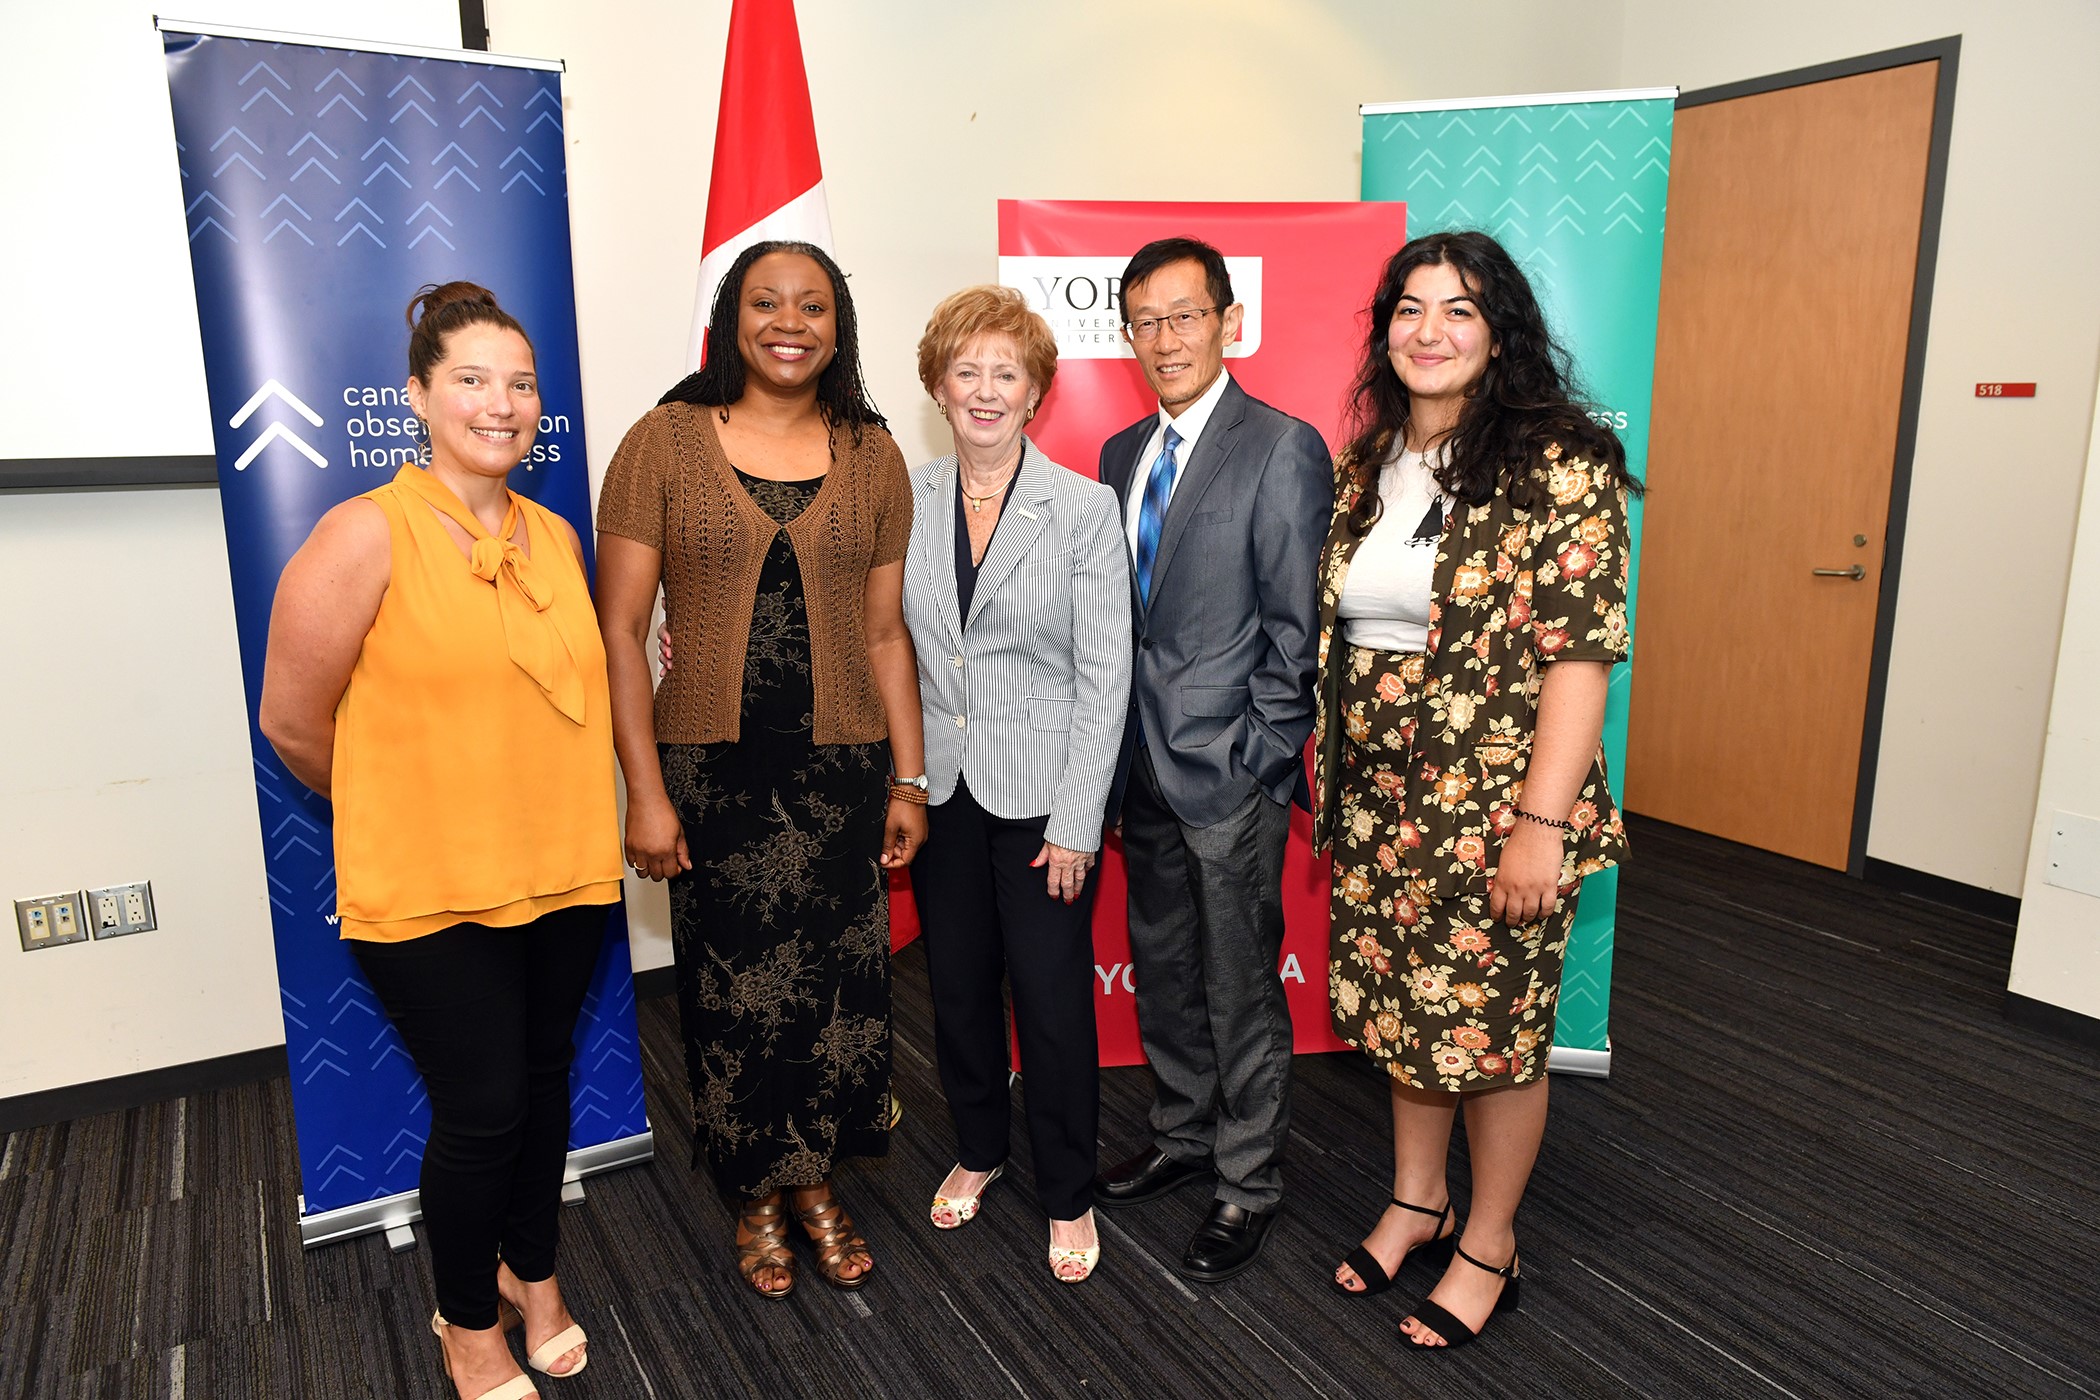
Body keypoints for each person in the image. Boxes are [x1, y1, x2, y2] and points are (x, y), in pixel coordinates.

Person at [260, 282, 611, 1400]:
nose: (499, 403)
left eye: (518, 383)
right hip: (430, 889)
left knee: (546, 1087)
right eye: (470, 379)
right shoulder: (363, 532)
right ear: (416, 395)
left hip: (564, 870)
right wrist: (405, 799)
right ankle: (467, 1325)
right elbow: (294, 724)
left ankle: (531, 1269)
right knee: (484, 1110)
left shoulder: (555, 534)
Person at [1313, 230, 1636, 1349]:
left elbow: (1581, 656)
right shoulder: (1370, 464)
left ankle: (1490, 1238)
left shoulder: (1562, 461)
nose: (1429, 330)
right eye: (1409, 308)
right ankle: (1416, 1198)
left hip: (1497, 802)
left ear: (1499, 331)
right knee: (1412, 1016)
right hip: (1380, 800)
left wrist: (1540, 825)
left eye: (1458, 309)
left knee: (1493, 1032)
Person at [594, 240, 926, 1301]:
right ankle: (754, 1189)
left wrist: (908, 778)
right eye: (768, 301)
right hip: (713, 773)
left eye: (815, 305)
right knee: (734, 992)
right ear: (733, 316)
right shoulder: (664, 442)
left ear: (840, 326)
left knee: (838, 988)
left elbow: (884, 636)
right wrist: (644, 790)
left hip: (839, 768)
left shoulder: (871, 453)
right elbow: (618, 629)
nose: (792, 321)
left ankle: (818, 1178)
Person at [1091, 237, 1334, 1282]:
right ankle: (1184, 1130)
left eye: (1186, 315)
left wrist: (1259, 760)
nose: (1166, 338)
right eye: (1146, 320)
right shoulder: (1115, 455)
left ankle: (1247, 1179)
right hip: (1136, 770)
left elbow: (1296, 633)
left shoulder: (1281, 447)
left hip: (1227, 774)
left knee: (1241, 984)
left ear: (1229, 320)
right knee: (1170, 969)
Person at [900, 286, 1131, 1284]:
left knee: (1047, 1001)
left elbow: (1103, 674)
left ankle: (1069, 1189)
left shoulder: (1082, 506)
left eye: (1007, 373)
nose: (985, 390)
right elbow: (879, 643)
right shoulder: (901, 497)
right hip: (939, 793)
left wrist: (1079, 821)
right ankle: (983, 1145)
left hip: (1043, 803)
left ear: (1036, 391)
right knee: (954, 992)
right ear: (938, 386)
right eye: (968, 371)